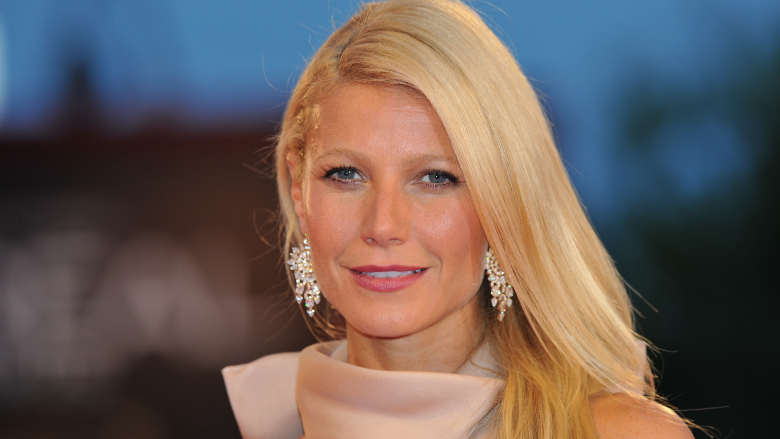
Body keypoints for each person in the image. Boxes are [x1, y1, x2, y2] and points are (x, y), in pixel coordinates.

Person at [222, 0, 695, 438]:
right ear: (300, 190)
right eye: (346, 174)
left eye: (435, 178)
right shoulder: (267, 423)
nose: (382, 226)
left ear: (502, 203)